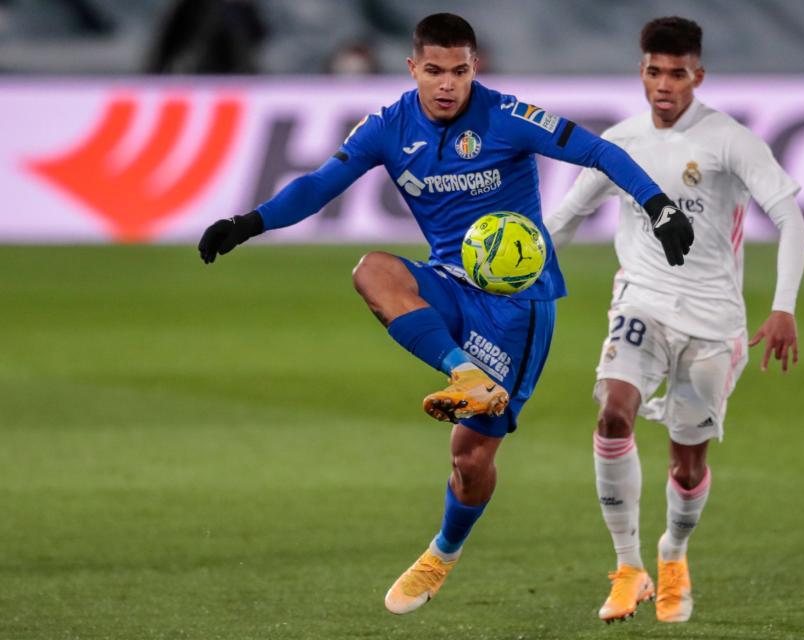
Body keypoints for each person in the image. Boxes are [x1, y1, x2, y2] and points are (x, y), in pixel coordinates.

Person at [198, 13, 693, 616]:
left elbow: (597, 150)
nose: (447, 84)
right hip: (448, 284)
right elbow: (320, 184)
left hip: (518, 307)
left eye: (459, 70)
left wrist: (659, 206)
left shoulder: (506, 117)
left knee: (469, 459)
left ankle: (444, 550)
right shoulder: (387, 127)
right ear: (413, 69)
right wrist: (248, 224)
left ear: (473, 68)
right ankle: (463, 372)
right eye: (434, 70)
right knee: (371, 270)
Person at [546, 16, 804, 625]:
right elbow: (562, 220)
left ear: (698, 75)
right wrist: (509, 273)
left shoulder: (729, 140)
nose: (664, 85)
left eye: (677, 74)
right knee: (614, 408)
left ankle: (674, 552)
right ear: (641, 71)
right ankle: (627, 566)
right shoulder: (619, 143)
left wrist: (784, 306)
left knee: (687, 462)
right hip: (641, 302)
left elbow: (792, 220)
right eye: (654, 72)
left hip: (715, 323)